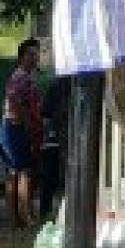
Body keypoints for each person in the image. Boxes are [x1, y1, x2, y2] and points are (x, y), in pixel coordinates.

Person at [0, 38, 43, 229]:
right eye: (30, 54)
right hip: (16, 128)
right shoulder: (21, 78)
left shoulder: (26, 77)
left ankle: (17, 218)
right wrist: (28, 126)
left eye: (36, 54)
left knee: (16, 172)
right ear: (22, 57)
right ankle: (24, 217)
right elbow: (17, 104)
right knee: (22, 172)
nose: (35, 58)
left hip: (16, 127)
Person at [37, 70, 72, 223]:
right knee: (56, 175)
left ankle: (46, 210)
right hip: (61, 135)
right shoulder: (65, 85)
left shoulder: (57, 85)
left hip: (55, 136)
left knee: (50, 176)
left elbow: (45, 113)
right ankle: (54, 210)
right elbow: (45, 113)